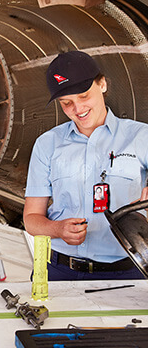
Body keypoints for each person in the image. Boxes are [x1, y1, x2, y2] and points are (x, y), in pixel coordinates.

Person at [23, 50, 148, 281]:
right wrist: (58, 229)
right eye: (66, 103)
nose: (77, 109)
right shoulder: (47, 144)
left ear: (102, 84)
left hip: (129, 272)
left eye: (83, 96)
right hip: (59, 271)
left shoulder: (141, 136)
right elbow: (31, 218)